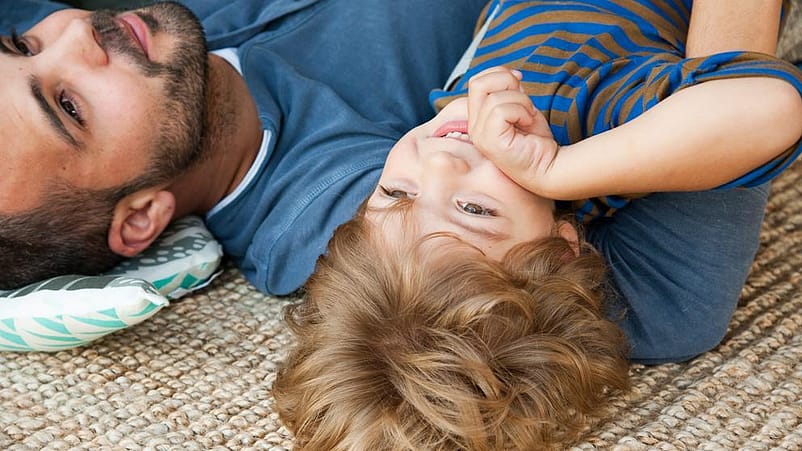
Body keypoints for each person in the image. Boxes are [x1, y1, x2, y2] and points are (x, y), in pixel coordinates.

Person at [272, 0, 802, 448]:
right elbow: (768, 104)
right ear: (563, 245)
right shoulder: (592, 119)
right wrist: (556, 170)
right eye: (474, 211)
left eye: (394, 193)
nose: (435, 162)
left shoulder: (450, 136)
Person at [0, 0, 489, 292]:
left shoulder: (163, 46)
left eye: (23, 46)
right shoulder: (320, 211)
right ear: (140, 217)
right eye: (69, 106)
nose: (76, 33)